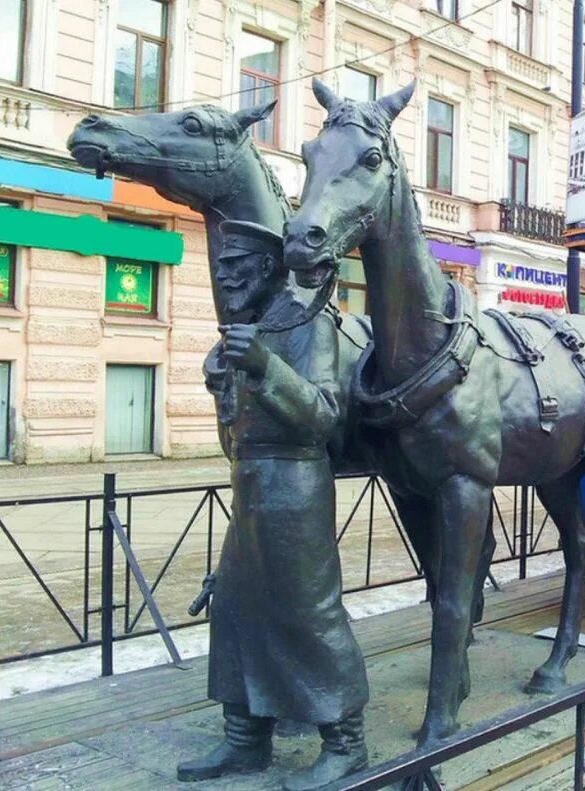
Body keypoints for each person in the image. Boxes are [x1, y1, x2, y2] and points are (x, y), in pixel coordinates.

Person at [177, 221, 369, 790]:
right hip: (251, 482)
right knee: (235, 604)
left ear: (266, 269)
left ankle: (345, 743)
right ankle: (245, 741)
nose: (223, 276)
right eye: (221, 267)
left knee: (306, 611)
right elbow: (234, 434)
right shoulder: (249, 328)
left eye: (235, 267)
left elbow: (324, 416)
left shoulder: (311, 325)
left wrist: (263, 366)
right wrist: (222, 387)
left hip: (296, 485)